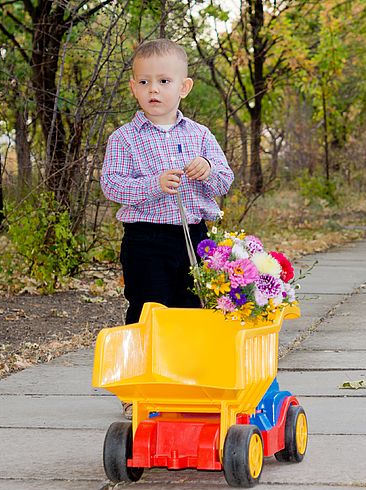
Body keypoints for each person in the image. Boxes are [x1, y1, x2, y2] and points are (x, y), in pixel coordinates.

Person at [100, 39, 234, 417]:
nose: (153, 90)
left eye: (163, 81)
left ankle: (187, 382)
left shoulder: (201, 135)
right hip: (147, 239)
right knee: (149, 308)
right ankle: (141, 389)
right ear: (133, 87)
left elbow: (224, 181)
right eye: (143, 82)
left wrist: (207, 170)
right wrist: (152, 184)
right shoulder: (124, 139)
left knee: (193, 310)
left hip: (195, 238)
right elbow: (111, 185)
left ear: (184, 87)